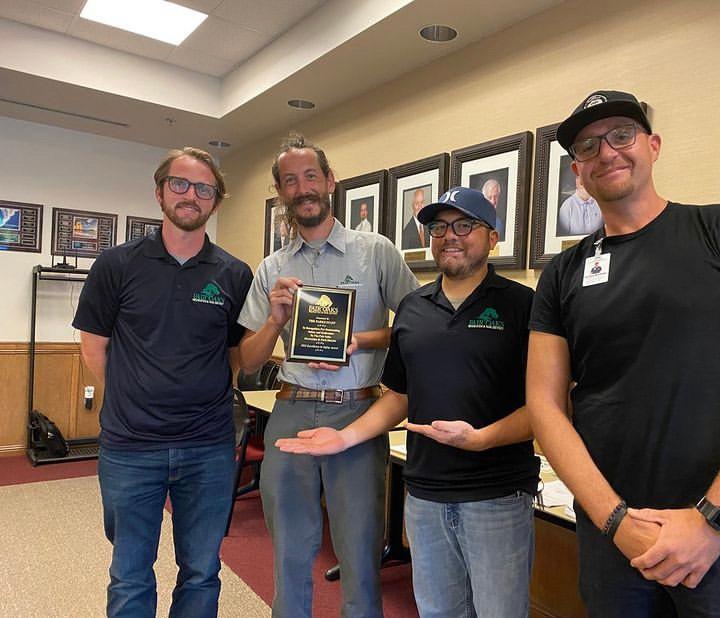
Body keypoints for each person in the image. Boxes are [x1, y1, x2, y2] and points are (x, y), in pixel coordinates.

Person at [527, 90, 720, 616]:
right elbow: (544, 404)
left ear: (653, 146)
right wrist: (615, 521)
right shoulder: (562, 274)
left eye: (621, 135)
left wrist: (712, 520)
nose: (606, 152)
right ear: (577, 172)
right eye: (588, 146)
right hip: (613, 538)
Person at [277, 187, 540, 618]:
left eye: (464, 225)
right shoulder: (413, 308)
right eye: (439, 227)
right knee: (437, 611)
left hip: (496, 496)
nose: (449, 236)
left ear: (493, 237)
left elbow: (546, 408)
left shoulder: (523, 305)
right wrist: (344, 438)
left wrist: (483, 439)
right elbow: (398, 397)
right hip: (424, 496)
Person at [236, 133, 419, 618]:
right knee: (289, 550)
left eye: (311, 176)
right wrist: (274, 320)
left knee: (359, 552)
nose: (303, 189)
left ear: (330, 181)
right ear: (281, 193)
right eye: (290, 181)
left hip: (359, 411)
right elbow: (247, 362)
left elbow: (418, 325)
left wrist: (360, 340)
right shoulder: (272, 268)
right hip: (290, 410)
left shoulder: (376, 252)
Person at [73, 147, 254, 617]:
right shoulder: (116, 265)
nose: (191, 195)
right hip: (131, 447)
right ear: (159, 192)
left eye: (204, 189)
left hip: (208, 447)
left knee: (202, 571)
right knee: (130, 573)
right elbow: (94, 349)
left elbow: (235, 355)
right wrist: (135, 395)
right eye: (180, 184)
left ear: (216, 201)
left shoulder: (235, 274)